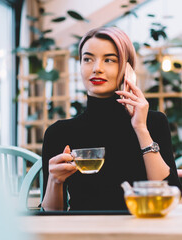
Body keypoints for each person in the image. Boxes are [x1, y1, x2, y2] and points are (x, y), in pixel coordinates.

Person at [41, 27, 182, 211]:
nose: (96, 68)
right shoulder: (59, 132)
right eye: (87, 59)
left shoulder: (152, 123)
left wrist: (140, 128)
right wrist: (55, 181)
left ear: (127, 68)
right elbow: (52, 217)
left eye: (109, 60)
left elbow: (171, 200)